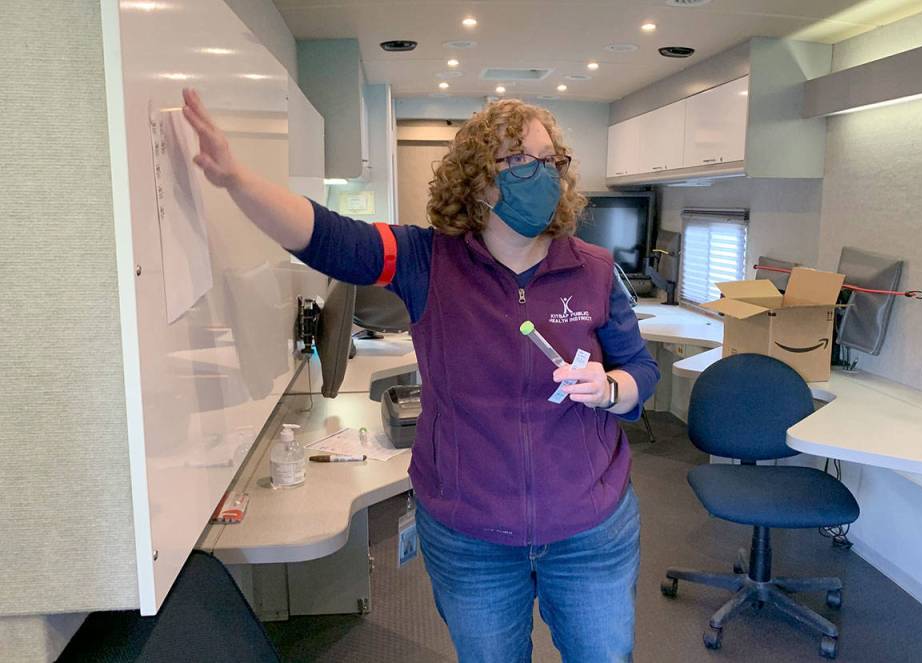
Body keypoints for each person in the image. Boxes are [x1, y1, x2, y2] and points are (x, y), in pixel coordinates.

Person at [181, 88, 659, 662]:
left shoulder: (594, 269)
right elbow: (328, 237)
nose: (542, 174)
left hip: (589, 528)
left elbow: (640, 369)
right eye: (519, 160)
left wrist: (611, 389)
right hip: (471, 535)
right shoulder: (425, 260)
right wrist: (236, 179)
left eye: (549, 159)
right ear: (478, 180)